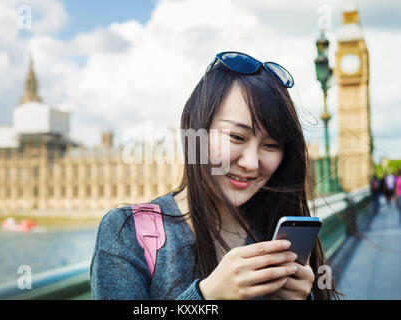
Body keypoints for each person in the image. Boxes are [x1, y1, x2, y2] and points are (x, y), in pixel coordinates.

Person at [90, 51, 341, 300]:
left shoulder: (276, 235)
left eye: (271, 145)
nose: (251, 163)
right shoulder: (127, 232)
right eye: (236, 137)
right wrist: (205, 297)